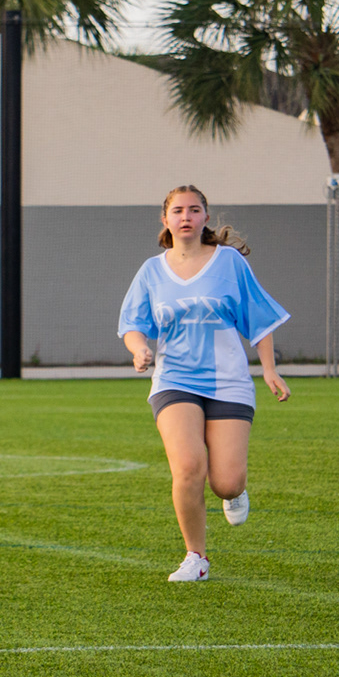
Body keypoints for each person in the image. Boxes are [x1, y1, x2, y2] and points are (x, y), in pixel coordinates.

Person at [119, 185, 291, 582]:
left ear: (205, 218)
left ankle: (235, 492)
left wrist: (268, 368)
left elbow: (259, 317)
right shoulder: (151, 271)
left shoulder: (228, 262)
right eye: (177, 210)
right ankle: (196, 558)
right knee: (188, 468)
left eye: (194, 210)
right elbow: (132, 324)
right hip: (174, 380)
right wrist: (139, 349)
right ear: (165, 220)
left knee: (226, 483)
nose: (186, 217)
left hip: (229, 382)